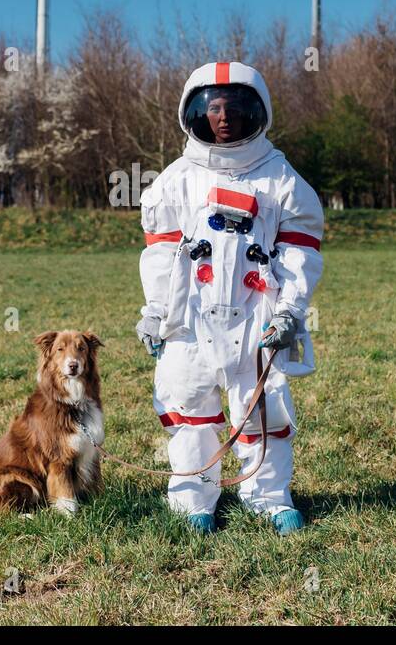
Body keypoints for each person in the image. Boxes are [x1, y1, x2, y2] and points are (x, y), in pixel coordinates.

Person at [136, 61, 324, 535]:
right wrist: (155, 314)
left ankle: (268, 496)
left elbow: (299, 255)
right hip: (190, 318)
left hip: (256, 316)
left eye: (234, 108)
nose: (223, 117)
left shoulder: (280, 179)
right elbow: (161, 258)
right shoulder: (177, 180)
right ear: (194, 113)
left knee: (262, 409)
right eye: (213, 108)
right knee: (188, 405)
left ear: (256, 112)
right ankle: (192, 501)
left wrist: (288, 313)